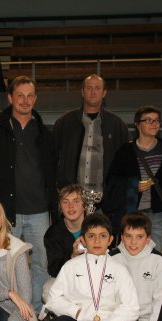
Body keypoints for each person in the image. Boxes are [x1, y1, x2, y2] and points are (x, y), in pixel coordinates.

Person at [40, 213, 157, 321]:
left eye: (102, 236)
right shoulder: (70, 266)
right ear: (83, 240)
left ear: (110, 240)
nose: (97, 241)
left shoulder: (119, 269)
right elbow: (53, 299)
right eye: (91, 236)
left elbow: (131, 307)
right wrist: (76, 312)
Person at [0, 76, 57, 318]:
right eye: (20, 95)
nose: (25, 101)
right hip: (8, 213)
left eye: (30, 96)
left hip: (40, 212)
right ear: (10, 97)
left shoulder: (45, 133)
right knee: (7, 266)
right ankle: (12, 314)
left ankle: (34, 313)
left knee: (41, 265)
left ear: (35, 99)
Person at [53, 74, 129, 231]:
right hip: (73, 202)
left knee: (103, 241)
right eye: (89, 88)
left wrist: (116, 192)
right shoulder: (65, 123)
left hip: (106, 203)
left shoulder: (117, 125)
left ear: (104, 92)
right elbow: (52, 158)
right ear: (82, 91)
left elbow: (125, 164)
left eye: (97, 88)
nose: (93, 92)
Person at [107, 105, 162, 251]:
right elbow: (112, 180)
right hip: (131, 211)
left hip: (157, 212)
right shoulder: (125, 151)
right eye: (148, 120)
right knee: (130, 253)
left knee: (154, 254)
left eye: (157, 120)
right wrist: (133, 186)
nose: (154, 124)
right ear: (137, 124)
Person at [110, 212, 162, 321]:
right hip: (122, 318)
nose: (133, 242)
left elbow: (161, 301)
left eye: (139, 237)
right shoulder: (112, 258)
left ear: (148, 238)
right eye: (128, 236)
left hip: (147, 319)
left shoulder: (158, 260)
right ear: (121, 237)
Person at [43, 184, 86, 306]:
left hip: (93, 276)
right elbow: (54, 270)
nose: (70, 206)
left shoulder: (96, 226)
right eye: (65, 202)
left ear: (85, 205)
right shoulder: (53, 233)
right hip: (67, 278)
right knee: (48, 290)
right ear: (60, 207)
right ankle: (68, 315)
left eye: (76, 201)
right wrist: (72, 256)